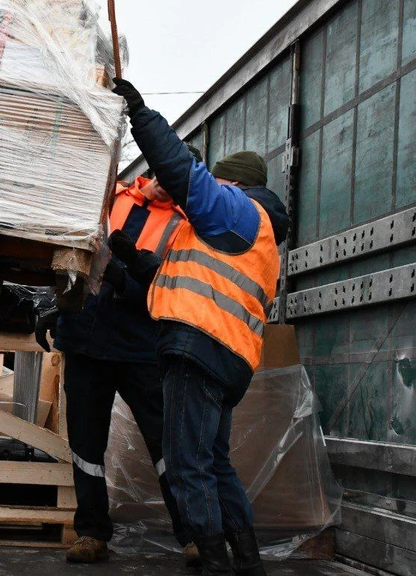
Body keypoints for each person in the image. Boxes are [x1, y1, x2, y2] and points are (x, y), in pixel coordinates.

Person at [110, 78, 289, 576]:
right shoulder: (250, 234)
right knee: (213, 461)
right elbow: (189, 279)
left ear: (232, 184)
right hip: (225, 356)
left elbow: (180, 169)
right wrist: (135, 262)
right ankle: (247, 561)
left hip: (199, 349)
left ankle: (214, 561)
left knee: (187, 464)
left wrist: (140, 114)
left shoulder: (235, 209)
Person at [36, 152, 200, 565]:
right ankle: (92, 533)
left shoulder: (186, 227)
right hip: (86, 340)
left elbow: (167, 292)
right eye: (164, 170)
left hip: (140, 346)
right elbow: (74, 257)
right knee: (86, 445)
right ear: (152, 169)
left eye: (178, 176)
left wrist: (121, 279)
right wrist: (55, 309)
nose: (168, 180)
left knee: (166, 444)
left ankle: (194, 534)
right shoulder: (113, 196)